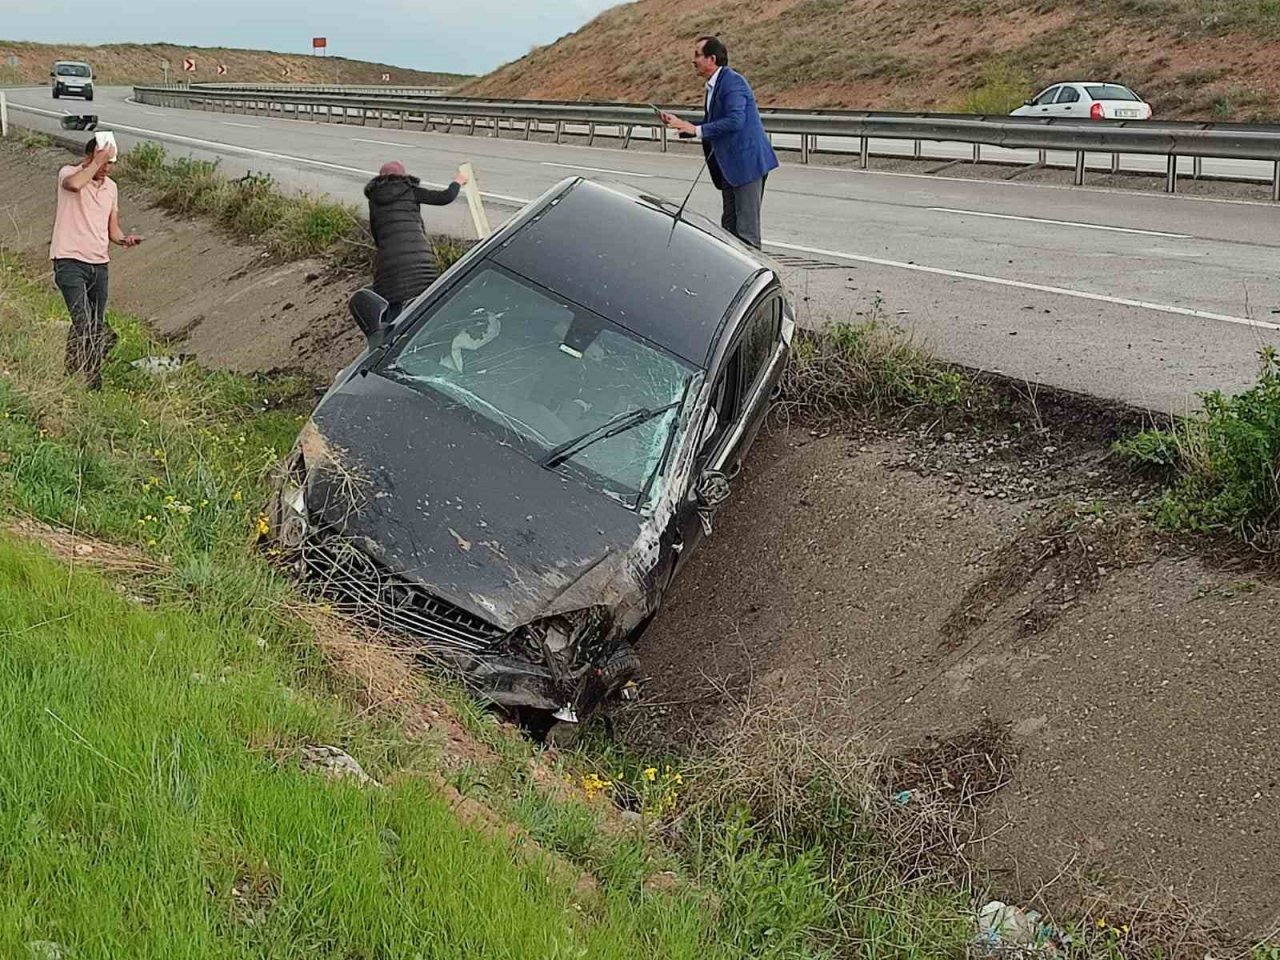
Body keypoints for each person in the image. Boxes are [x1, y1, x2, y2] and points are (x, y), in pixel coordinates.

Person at [662, 36, 778, 249]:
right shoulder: (714, 85)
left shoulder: (732, 82)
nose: (693, 60)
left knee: (747, 234)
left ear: (712, 59)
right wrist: (682, 125)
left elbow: (735, 121)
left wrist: (696, 130)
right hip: (730, 166)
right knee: (729, 230)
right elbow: (715, 124)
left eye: (697, 55)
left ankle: (753, 269)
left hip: (746, 164)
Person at [50, 136, 142, 390]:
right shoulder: (69, 174)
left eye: (110, 163)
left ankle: (71, 372)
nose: (106, 168)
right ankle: (93, 383)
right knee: (84, 322)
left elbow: (112, 228)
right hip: (69, 260)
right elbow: (74, 185)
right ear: (90, 156)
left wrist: (124, 239)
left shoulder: (111, 188)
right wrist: (95, 163)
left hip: (99, 264)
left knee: (95, 323)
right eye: (103, 162)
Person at [364, 161, 468, 320]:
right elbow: (444, 197)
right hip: (419, 261)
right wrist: (458, 181)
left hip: (389, 264)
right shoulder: (411, 191)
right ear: (403, 176)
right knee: (427, 302)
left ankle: (394, 332)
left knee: (393, 307)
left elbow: (376, 232)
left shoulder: (374, 199)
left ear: (380, 179)